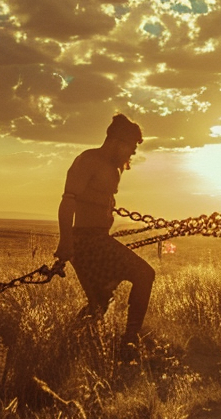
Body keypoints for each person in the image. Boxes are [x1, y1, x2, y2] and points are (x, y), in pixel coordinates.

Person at [54, 114, 154, 356]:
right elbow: (68, 202)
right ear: (117, 141)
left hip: (99, 239)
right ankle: (129, 341)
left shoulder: (114, 169)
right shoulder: (88, 161)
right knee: (144, 274)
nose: (132, 154)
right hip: (87, 242)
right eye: (131, 147)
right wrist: (66, 242)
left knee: (99, 304)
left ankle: (69, 346)